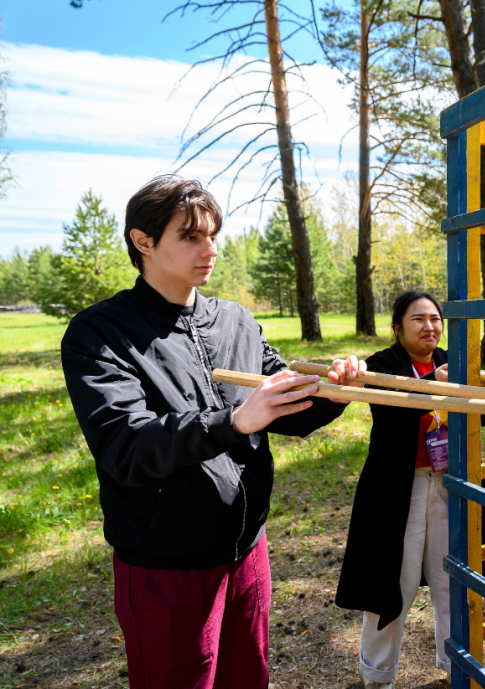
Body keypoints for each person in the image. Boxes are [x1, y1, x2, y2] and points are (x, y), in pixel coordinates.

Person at [61, 175, 365, 689]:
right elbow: (125, 446)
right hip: (165, 565)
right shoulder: (101, 333)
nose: (210, 249)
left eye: (213, 235)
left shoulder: (236, 322)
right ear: (143, 242)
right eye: (191, 236)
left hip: (247, 550)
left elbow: (284, 409)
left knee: (248, 679)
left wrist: (334, 393)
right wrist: (233, 421)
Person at [335, 291, 485, 689]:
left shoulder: (451, 362)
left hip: (451, 485)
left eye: (435, 319)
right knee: (392, 586)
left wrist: (465, 387)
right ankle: (378, 676)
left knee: (453, 581)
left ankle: (457, 666)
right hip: (398, 492)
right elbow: (392, 405)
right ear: (398, 327)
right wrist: (433, 386)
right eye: (418, 319)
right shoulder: (382, 365)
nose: (430, 326)